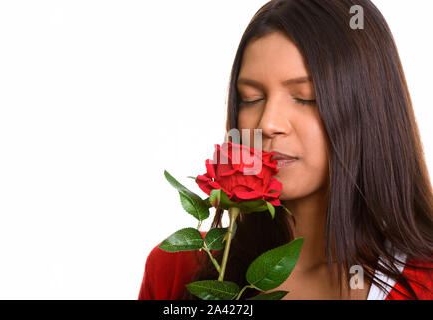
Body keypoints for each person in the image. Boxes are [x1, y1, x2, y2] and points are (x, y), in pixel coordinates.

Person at [138, 0, 433, 300]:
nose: (268, 123)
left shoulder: (425, 283)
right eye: (251, 98)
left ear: (368, 107)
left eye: (305, 97)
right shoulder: (176, 270)